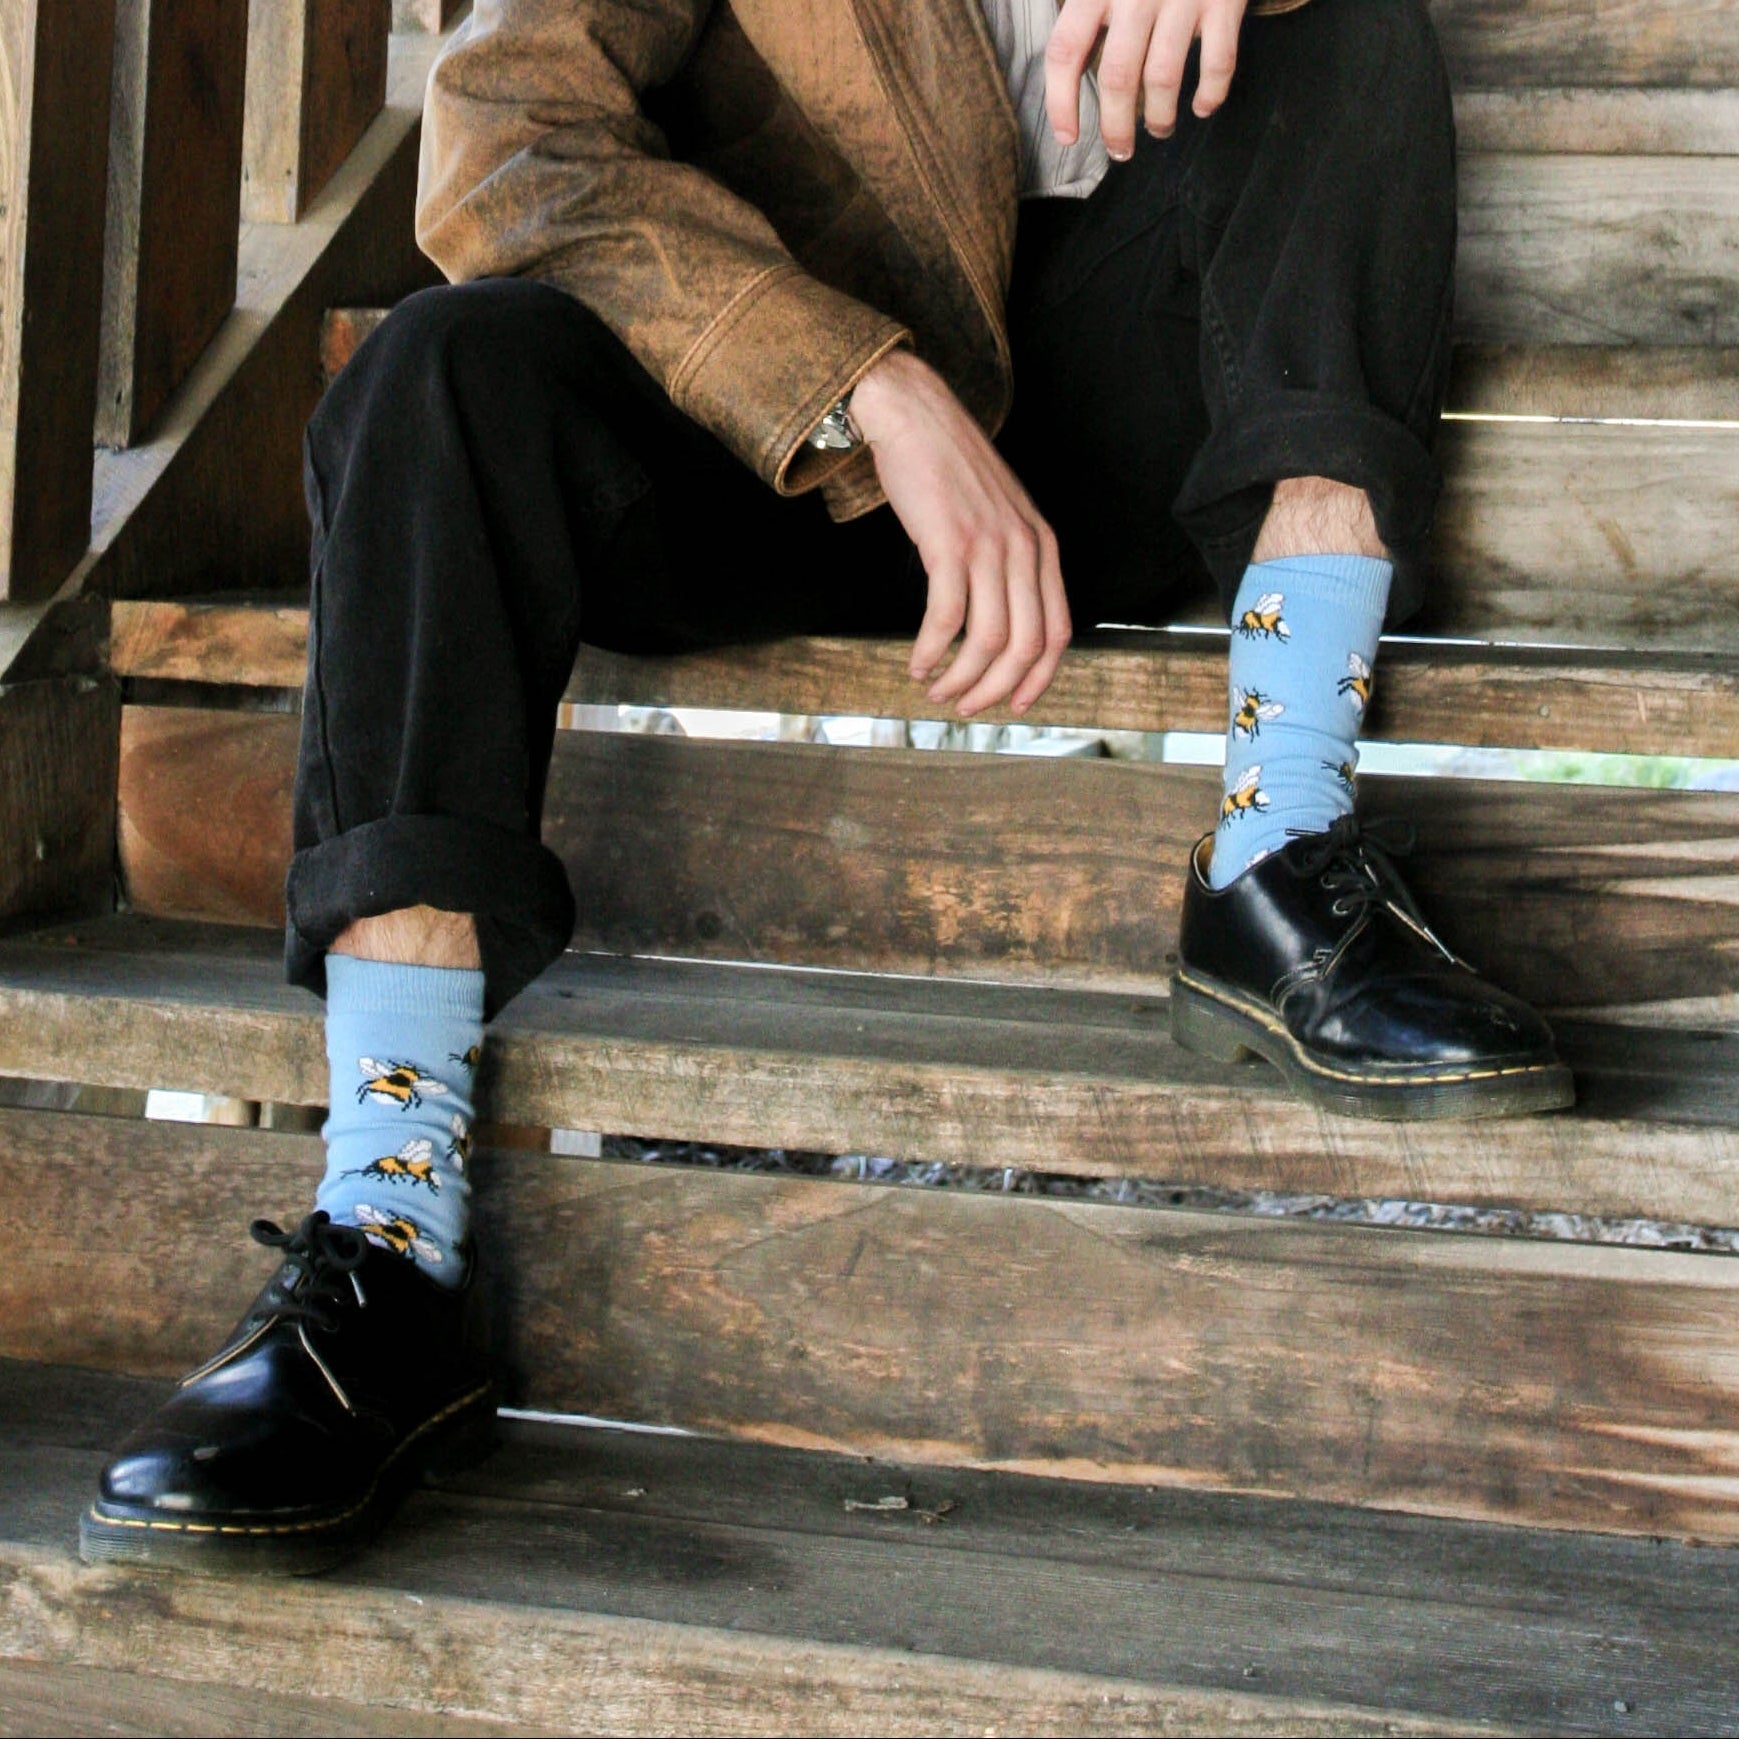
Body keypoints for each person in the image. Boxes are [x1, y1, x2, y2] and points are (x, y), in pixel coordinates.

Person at [80, 0, 1572, 1575]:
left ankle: (1279, 845)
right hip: (784, 442)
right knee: (430, 369)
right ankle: (388, 1234)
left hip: (1137, 397)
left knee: (1351, 36)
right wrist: (866, 383)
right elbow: (503, 135)